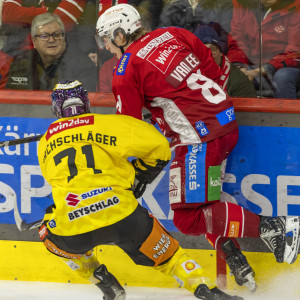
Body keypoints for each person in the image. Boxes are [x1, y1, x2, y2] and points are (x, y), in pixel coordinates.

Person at [96, 3, 300, 293]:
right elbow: (214, 70)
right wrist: (170, 104)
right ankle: (235, 256)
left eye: (106, 38)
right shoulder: (173, 34)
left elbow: (131, 131)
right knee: (201, 202)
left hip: (197, 140)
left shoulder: (126, 68)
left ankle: (275, 228)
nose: (106, 47)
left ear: (120, 34)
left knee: (187, 217)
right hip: (223, 125)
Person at [37, 79, 244, 300]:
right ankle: (205, 289)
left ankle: (101, 278)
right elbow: (159, 147)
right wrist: (139, 175)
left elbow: (58, 180)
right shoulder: (108, 124)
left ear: (57, 108)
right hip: (124, 216)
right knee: (171, 257)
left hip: (74, 225)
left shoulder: (44, 142)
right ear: (86, 102)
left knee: (47, 234)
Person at [5, 13, 97, 91]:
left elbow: (83, 104)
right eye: (44, 36)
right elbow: (13, 100)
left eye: (56, 35)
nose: (51, 40)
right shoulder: (22, 63)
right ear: (34, 41)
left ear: (64, 37)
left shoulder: (84, 66)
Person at [227, 0, 300, 99]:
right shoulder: (243, 4)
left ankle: (285, 114)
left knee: (282, 77)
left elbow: (294, 52)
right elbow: (237, 43)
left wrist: (264, 69)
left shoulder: (295, 5)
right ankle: (233, 115)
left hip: (290, 67)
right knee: (232, 77)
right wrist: (240, 68)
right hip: (254, 67)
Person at [193, 24, 257, 98]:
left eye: (212, 49)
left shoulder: (240, 83)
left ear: (221, 52)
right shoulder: (183, 77)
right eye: (202, 50)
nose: (208, 55)